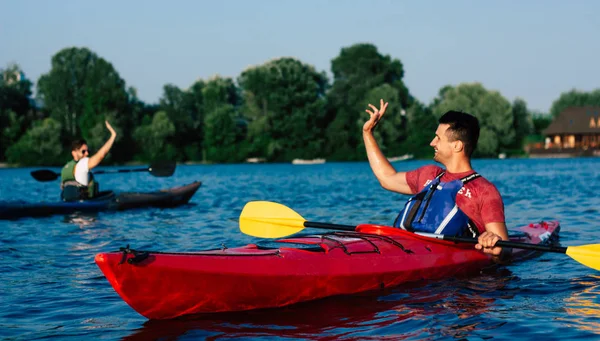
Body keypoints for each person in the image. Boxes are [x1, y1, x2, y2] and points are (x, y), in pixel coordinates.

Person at [362, 99, 510, 263]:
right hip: (405, 248)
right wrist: (368, 133)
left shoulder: (483, 191)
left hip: (449, 274)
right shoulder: (428, 174)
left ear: (457, 146)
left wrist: (495, 246)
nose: (432, 142)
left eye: (438, 138)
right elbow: (387, 178)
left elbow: (504, 247)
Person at [60, 121, 117, 201]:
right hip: (82, 204)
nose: (86, 154)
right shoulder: (82, 163)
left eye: (87, 151)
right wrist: (113, 136)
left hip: (67, 202)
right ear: (74, 153)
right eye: (83, 151)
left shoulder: (65, 168)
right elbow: (101, 155)